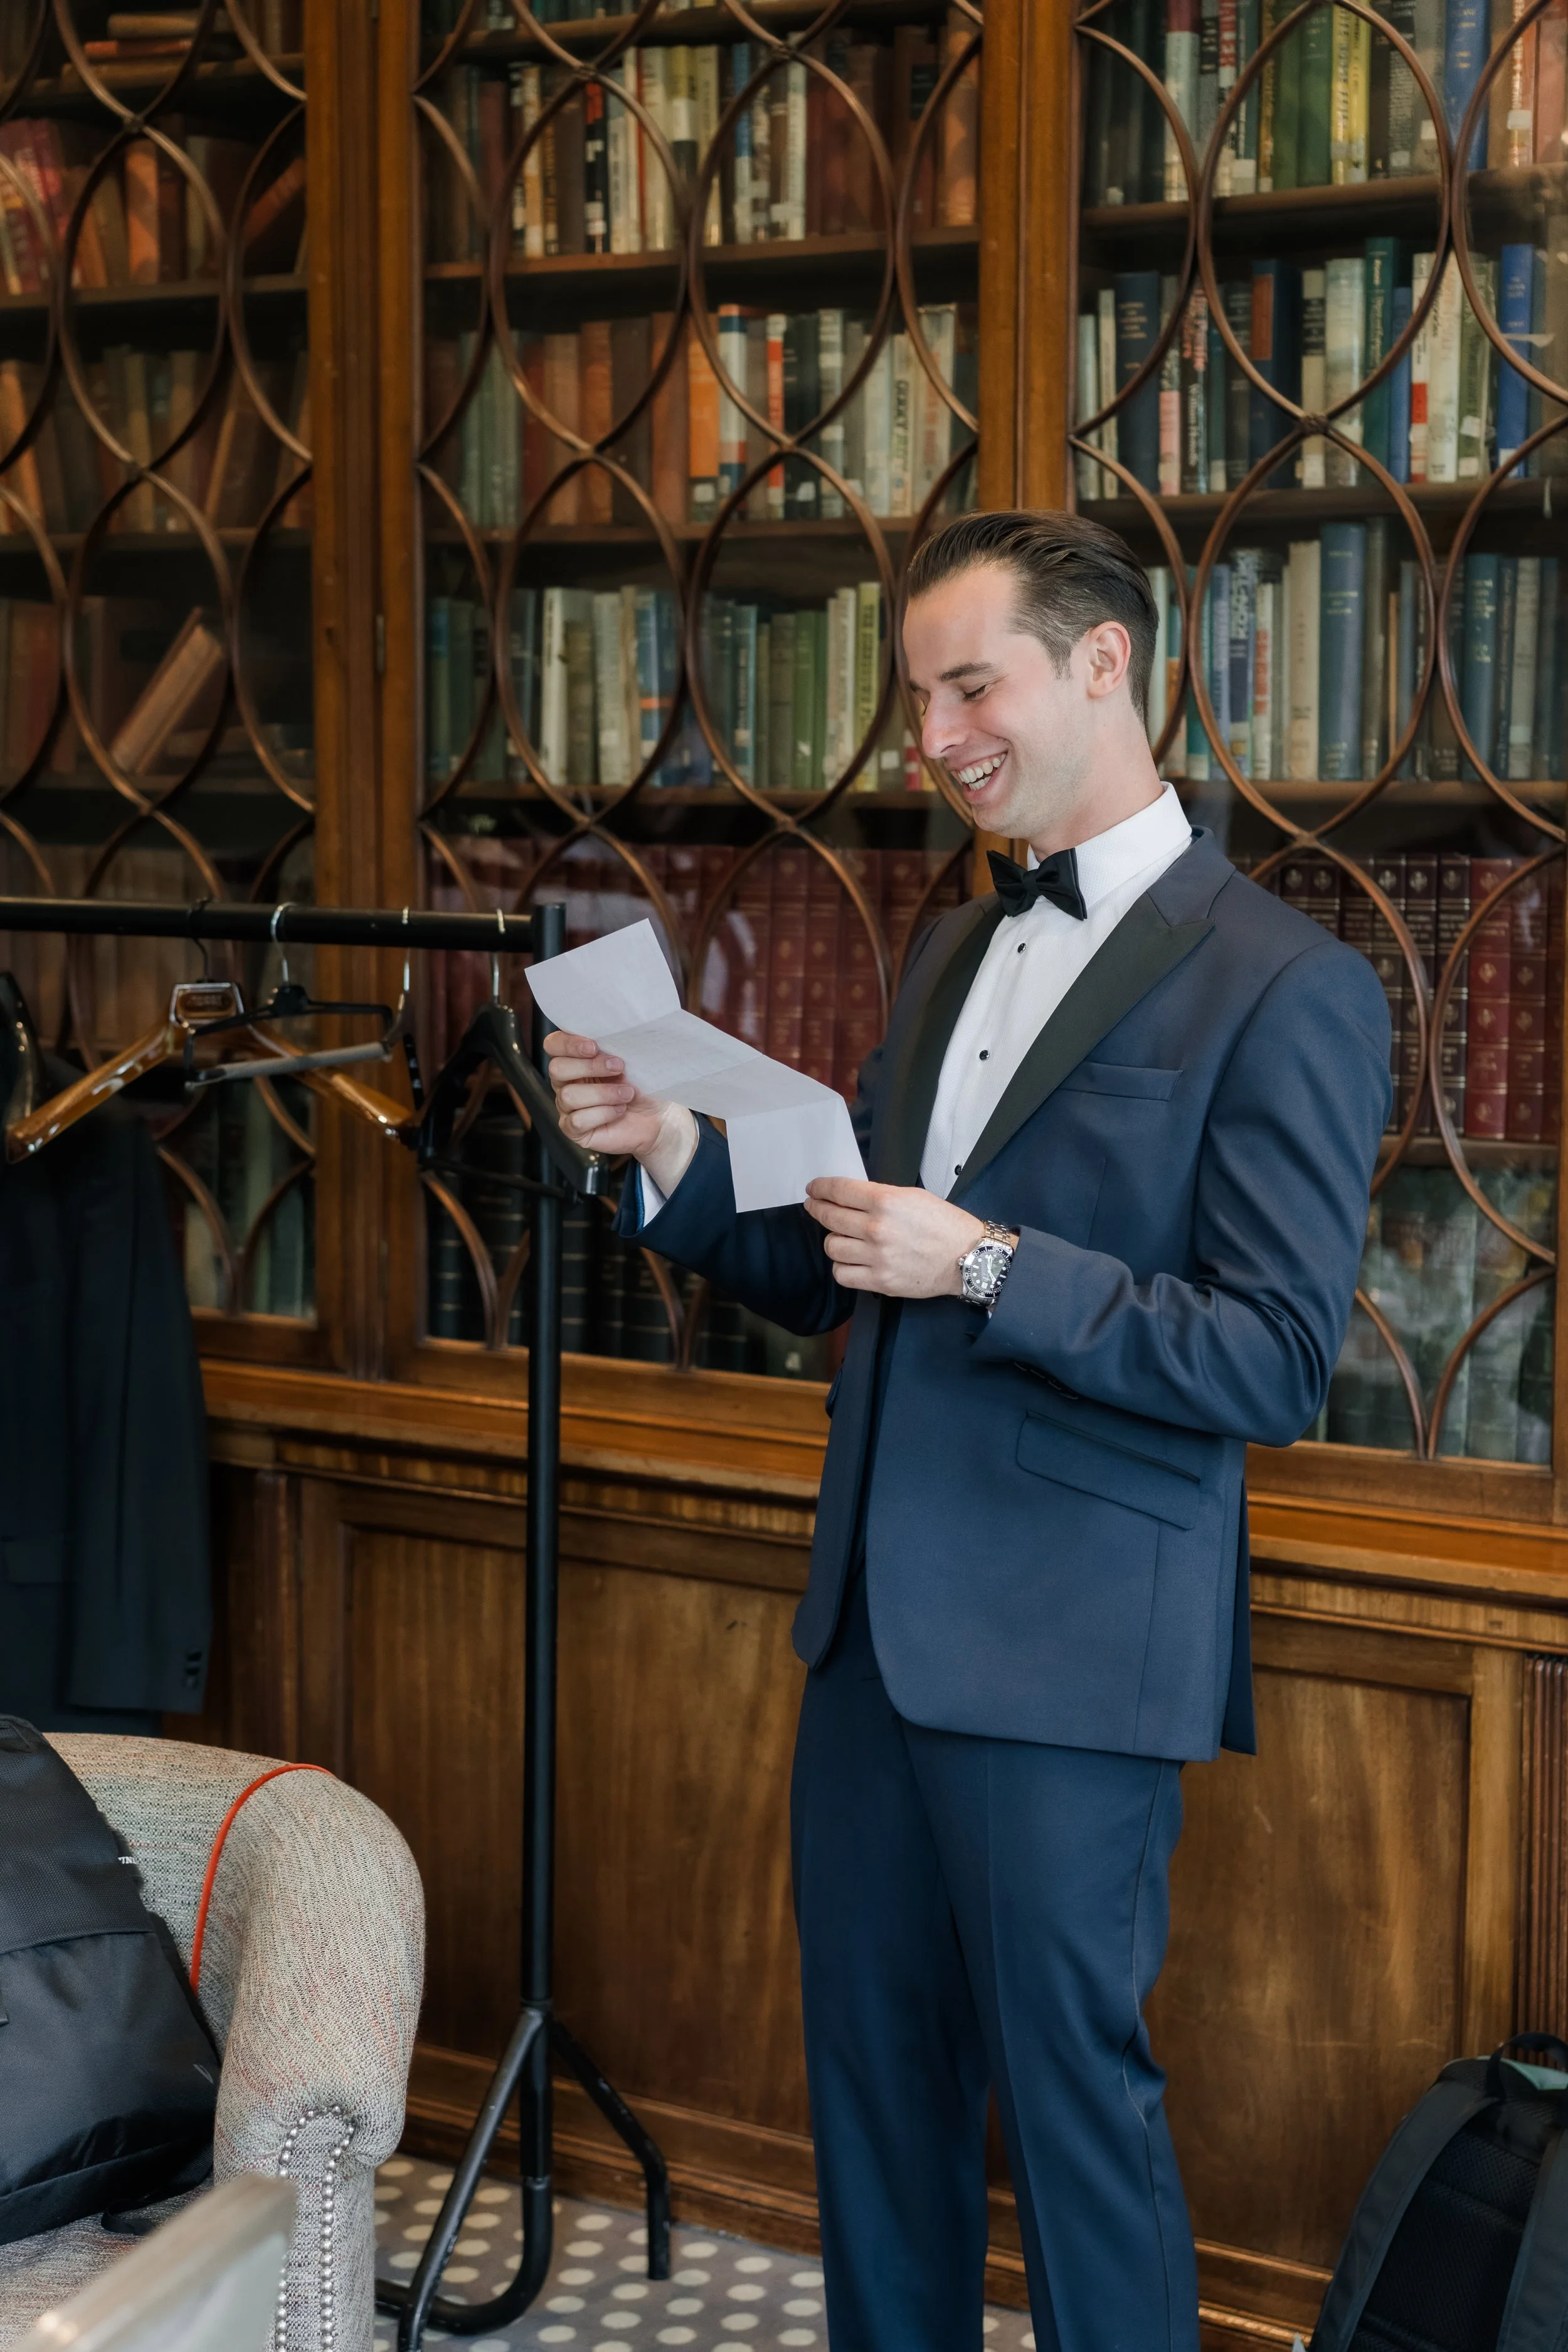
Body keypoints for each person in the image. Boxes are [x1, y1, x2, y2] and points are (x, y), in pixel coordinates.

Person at [543, 510, 1391, 2352]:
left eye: (965, 684)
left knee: (1078, 2119)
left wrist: (994, 1261)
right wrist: (671, 1152)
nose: (929, 734)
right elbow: (854, 1259)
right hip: (866, 1635)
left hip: (1073, 1651)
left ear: (1103, 664)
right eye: (917, 695)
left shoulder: (1289, 983)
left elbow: (1268, 1356)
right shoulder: (948, 947)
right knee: (872, 2103)